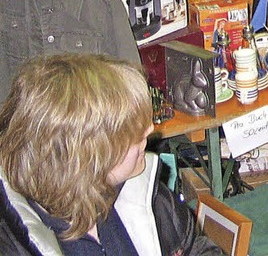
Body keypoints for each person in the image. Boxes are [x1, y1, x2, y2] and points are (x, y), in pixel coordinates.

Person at [0, 54, 221, 255]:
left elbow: (196, 248)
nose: (150, 130)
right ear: (89, 154)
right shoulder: (16, 242)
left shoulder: (143, 190)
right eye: (129, 129)